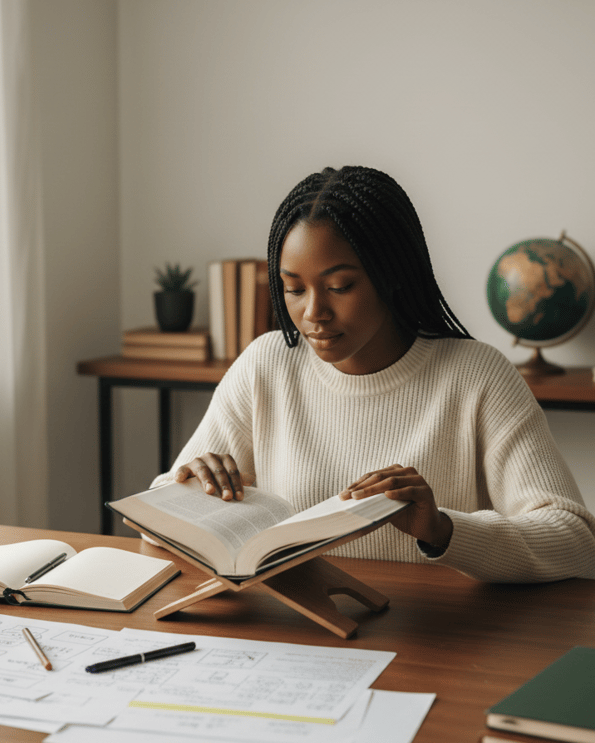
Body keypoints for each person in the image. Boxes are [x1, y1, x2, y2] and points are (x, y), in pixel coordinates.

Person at [149, 165, 595, 583]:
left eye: (340, 286)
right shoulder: (266, 365)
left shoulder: (477, 376)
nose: (313, 312)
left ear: (391, 275)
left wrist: (442, 529)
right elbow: (153, 528)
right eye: (294, 288)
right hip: (297, 635)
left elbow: (576, 540)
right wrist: (185, 488)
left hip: (437, 643)